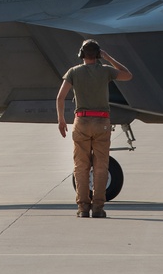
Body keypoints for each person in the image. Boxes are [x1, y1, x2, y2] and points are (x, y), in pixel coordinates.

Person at [56, 40, 132, 218]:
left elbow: (60, 97)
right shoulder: (106, 70)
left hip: (81, 121)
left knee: (81, 166)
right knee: (100, 166)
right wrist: (107, 58)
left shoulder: (73, 72)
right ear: (97, 55)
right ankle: (98, 208)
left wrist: (61, 120)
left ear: (81, 54)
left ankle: (83, 208)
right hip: (102, 122)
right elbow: (128, 75)